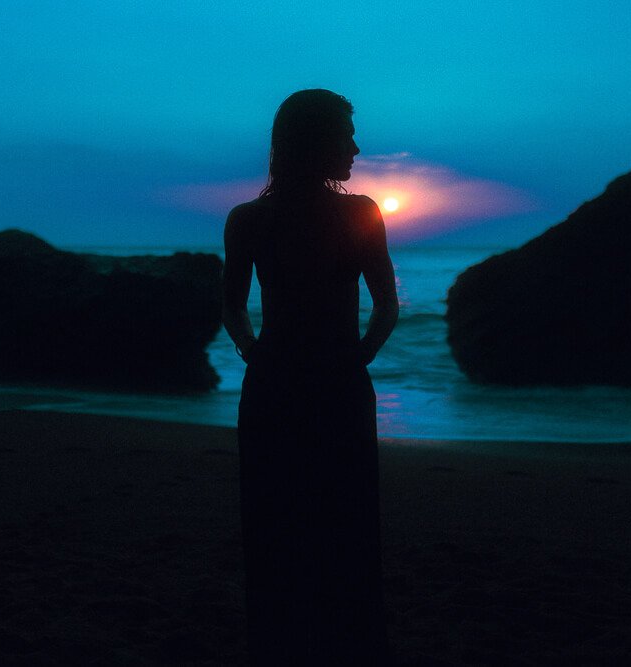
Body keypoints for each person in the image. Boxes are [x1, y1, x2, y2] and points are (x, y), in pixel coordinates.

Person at [222, 89, 399, 665]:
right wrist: (353, 358)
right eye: (345, 134)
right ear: (312, 141)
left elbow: (234, 312)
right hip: (324, 385)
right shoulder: (261, 218)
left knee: (304, 520)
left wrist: (258, 354)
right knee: (318, 521)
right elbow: (385, 309)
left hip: (287, 385)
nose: (355, 146)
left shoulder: (258, 218)